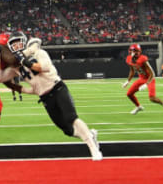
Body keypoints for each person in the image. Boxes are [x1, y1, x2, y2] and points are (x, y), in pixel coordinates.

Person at [9, 32, 102, 161]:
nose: (16, 47)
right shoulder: (16, 67)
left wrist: (24, 60)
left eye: (18, 43)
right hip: (46, 98)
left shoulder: (39, 53)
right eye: (13, 45)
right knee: (67, 130)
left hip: (57, 88)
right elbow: (35, 88)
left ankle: (93, 148)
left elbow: (44, 67)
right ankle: (90, 134)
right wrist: (14, 86)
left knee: (71, 117)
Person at [122, 44, 163, 115]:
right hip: (141, 79)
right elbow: (132, 70)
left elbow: (152, 74)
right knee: (129, 94)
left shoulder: (142, 59)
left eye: (137, 51)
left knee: (152, 98)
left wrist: (146, 84)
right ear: (130, 51)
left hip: (149, 78)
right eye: (135, 51)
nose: (136, 53)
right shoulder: (128, 59)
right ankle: (139, 107)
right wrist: (128, 81)